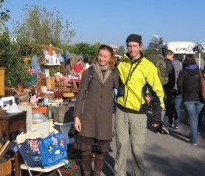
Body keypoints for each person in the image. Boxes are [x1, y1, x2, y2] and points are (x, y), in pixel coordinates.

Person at [114, 34, 164, 176]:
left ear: (140, 47)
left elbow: (158, 91)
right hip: (121, 110)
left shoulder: (148, 66)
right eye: (129, 46)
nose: (132, 49)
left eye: (134, 46)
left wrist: (156, 116)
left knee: (137, 150)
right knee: (121, 147)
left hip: (138, 113)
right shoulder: (122, 63)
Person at [73, 45, 119, 176]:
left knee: (101, 151)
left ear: (110, 58)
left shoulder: (115, 73)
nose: (102, 59)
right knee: (85, 150)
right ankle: (87, 173)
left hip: (105, 118)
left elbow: (121, 91)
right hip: (89, 116)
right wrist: (77, 117)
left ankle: (97, 173)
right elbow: (81, 95)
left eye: (105, 56)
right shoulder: (90, 72)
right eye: (100, 55)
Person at [177, 54, 204, 145]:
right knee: (195, 118)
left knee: (193, 119)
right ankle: (193, 135)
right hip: (200, 98)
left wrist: (182, 93)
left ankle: (194, 140)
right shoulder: (199, 71)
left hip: (188, 98)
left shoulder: (183, 72)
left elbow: (179, 85)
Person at [158, 49, 176, 134]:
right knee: (169, 107)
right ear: (169, 55)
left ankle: (158, 124)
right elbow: (172, 78)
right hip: (167, 88)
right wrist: (171, 87)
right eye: (172, 56)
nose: (172, 58)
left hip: (158, 88)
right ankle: (165, 125)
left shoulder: (158, 63)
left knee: (159, 106)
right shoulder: (170, 64)